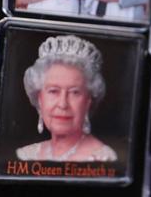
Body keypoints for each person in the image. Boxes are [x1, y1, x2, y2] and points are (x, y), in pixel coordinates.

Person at [16, 34, 116, 162]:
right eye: (53, 91)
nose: (63, 104)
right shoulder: (25, 155)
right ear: (40, 99)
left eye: (74, 92)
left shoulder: (104, 159)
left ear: (88, 102)